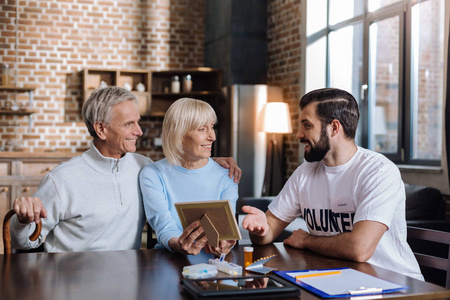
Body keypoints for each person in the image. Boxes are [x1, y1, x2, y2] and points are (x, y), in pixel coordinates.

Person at [10, 86, 241, 252]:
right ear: (101, 129)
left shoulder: (144, 168)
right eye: (129, 124)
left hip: (126, 277)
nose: (139, 131)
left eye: (137, 122)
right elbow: (25, 242)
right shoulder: (61, 180)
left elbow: (180, 169)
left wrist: (212, 161)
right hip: (70, 281)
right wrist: (22, 220)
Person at [242, 88, 423, 280]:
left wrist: (306, 240)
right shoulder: (305, 172)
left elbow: (358, 249)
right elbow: (269, 230)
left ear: (334, 128)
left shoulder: (378, 172)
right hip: (339, 278)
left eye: (307, 125)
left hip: (393, 284)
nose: (298, 134)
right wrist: (259, 229)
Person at [139, 98, 238, 256]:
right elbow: (164, 226)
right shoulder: (153, 174)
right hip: (170, 261)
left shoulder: (227, 174)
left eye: (212, 127)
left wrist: (225, 244)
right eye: (202, 129)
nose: (212, 136)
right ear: (179, 135)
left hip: (215, 263)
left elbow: (226, 229)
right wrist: (178, 244)